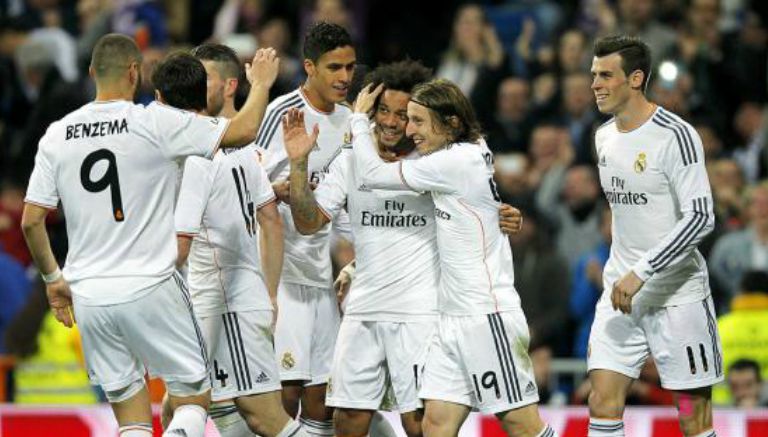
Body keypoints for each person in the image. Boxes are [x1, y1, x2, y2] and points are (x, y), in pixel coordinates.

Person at [21, 33, 278, 437]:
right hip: (151, 283)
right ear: (134, 72)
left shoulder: (57, 133)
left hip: (90, 293)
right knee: (194, 397)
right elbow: (242, 132)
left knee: (132, 417)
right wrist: (261, 83)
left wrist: (54, 280)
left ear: (91, 73)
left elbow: (31, 221)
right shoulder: (152, 120)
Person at [282, 78, 556, 437]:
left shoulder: (447, 161)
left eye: (414, 119)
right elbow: (313, 220)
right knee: (435, 426)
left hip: (483, 314)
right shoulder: (448, 156)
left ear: (451, 123)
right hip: (448, 320)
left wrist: (358, 123)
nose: (405, 127)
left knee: (521, 425)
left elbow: (376, 175)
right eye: (392, 114)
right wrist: (356, 264)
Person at [153, 43, 303, 437]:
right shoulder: (236, 149)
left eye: (205, 80)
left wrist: (266, 294)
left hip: (227, 301)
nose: (195, 86)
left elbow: (271, 221)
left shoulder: (217, 150)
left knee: (264, 417)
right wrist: (267, 292)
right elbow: (269, 218)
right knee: (191, 406)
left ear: (229, 86)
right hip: (217, 297)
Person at [587, 35, 721, 437]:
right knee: (601, 400)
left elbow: (701, 217)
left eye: (606, 75)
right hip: (620, 290)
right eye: (593, 75)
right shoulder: (603, 137)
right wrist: (625, 273)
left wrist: (642, 271)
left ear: (636, 79)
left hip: (677, 296)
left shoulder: (675, 136)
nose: (594, 84)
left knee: (692, 416)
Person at [255, 21, 355, 436]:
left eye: (351, 67)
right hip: (283, 278)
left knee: (323, 402)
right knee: (285, 396)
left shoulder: (352, 121)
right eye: (335, 68)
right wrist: (274, 190)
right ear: (310, 67)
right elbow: (244, 181)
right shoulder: (283, 113)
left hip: (322, 278)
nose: (345, 78)